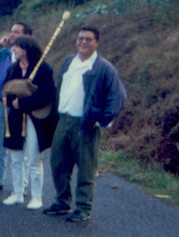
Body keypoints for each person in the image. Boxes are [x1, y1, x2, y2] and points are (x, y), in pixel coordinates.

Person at [43, 25, 126, 222]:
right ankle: (62, 202)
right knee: (58, 163)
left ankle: (83, 208)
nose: (83, 42)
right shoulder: (69, 61)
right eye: (80, 38)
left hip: (85, 123)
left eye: (88, 39)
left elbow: (118, 96)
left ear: (96, 42)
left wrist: (102, 119)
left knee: (86, 168)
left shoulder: (103, 68)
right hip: (63, 120)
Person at [1, 36, 58, 210]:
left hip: (36, 118)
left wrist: (24, 103)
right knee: (15, 157)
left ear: (26, 49)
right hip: (16, 118)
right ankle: (17, 193)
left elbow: (46, 95)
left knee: (34, 157)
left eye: (16, 47)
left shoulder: (43, 69)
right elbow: (6, 91)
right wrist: (14, 102)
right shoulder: (12, 69)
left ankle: (36, 196)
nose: (13, 50)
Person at [0, 21, 33, 193]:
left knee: (23, 145)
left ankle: (23, 184)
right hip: (3, 104)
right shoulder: (5, 53)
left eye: (17, 32)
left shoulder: (33, 57)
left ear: (27, 36)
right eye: (12, 31)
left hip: (23, 107)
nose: (12, 35)